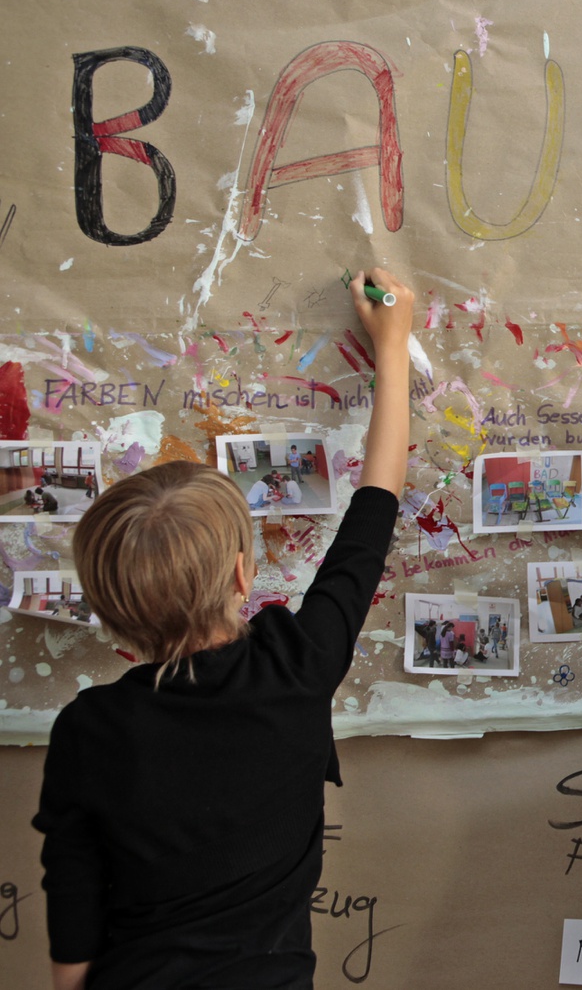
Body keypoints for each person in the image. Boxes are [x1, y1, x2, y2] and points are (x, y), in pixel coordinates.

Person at [32, 269, 412, 990]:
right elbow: (376, 505)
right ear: (243, 575)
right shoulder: (295, 665)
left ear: (109, 610)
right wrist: (392, 348)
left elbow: (72, 947)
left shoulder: (89, 728)